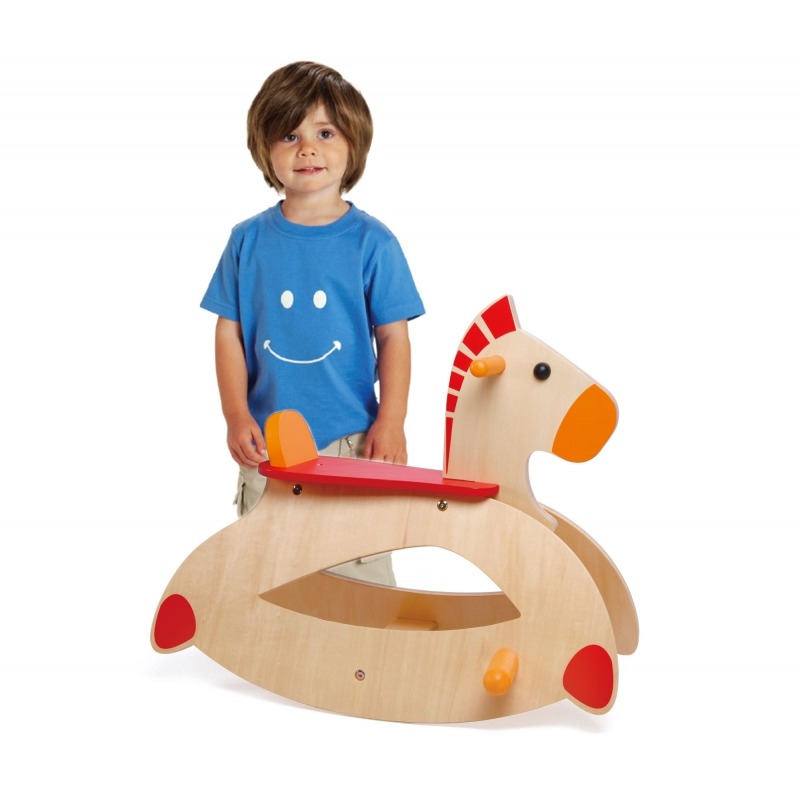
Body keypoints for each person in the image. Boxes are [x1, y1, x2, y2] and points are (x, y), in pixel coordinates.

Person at [200, 62, 425, 585]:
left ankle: (365, 635)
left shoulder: (374, 242)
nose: (307, 149)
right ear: (265, 149)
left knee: (360, 571)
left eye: (325, 133)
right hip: (268, 442)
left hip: (352, 439)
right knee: (267, 572)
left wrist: (392, 420)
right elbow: (229, 333)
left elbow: (393, 337)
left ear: (353, 144)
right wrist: (236, 415)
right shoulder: (246, 241)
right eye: (290, 135)